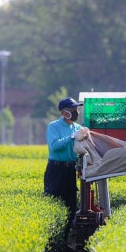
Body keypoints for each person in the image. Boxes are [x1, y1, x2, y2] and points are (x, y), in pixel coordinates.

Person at [43, 97, 84, 237]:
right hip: (56, 169)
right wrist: (71, 137)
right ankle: (50, 239)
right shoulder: (53, 126)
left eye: (76, 109)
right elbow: (54, 146)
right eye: (73, 109)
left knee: (71, 206)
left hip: (70, 170)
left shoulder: (78, 128)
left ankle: (65, 240)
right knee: (53, 201)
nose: (76, 112)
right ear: (63, 112)